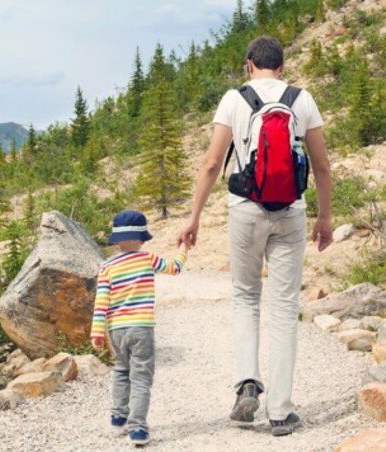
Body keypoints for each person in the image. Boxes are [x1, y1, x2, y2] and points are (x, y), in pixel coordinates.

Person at [176, 35, 333, 437]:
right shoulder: (302, 98)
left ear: (249, 65)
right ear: (282, 66)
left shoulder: (234, 98)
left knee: (246, 297)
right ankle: (280, 411)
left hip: (245, 210)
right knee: (283, 307)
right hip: (291, 213)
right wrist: (325, 218)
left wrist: (193, 217)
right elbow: (322, 165)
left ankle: (247, 383)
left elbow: (213, 162)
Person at [91, 209, 188, 446]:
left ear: (116, 241)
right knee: (142, 377)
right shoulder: (147, 259)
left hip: (116, 330)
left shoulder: (107, 266)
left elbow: (101, 301)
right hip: (141, 328)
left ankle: (117, 419)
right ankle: (137, 428)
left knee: (121, 371)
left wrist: (96, 332)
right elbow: (174, 268)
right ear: (142, 238)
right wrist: (184, 250)